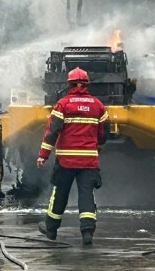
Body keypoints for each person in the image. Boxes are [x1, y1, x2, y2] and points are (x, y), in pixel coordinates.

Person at [36, 67, 108, 246]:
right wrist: (97, 145)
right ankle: (87, 233)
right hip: (89, 161)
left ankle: (51, 230)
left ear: (68, 84)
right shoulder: (97, 105)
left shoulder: (63, 104)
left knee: (59, 194)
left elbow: (52, 132)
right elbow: (104, 132)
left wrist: (43, 155)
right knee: (86, 196)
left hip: (65, 161)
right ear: (87, 84)